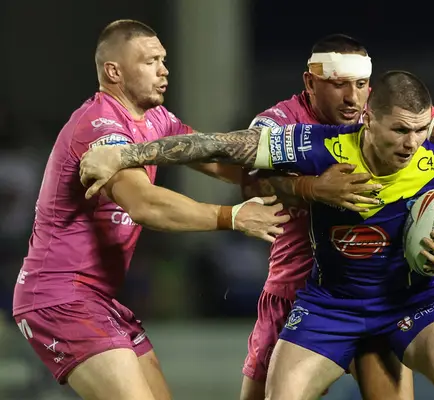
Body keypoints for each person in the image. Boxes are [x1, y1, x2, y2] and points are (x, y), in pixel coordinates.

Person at [78, 71, 434, 400]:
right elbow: (222, 146)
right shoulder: (320, 146)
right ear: (370, 120)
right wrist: (125, 154)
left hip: (414, 300)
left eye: (420, 130)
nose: (412, 142)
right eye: (400, 130)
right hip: (330, 305)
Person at [11, 19, 291, 400]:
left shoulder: (158, 120)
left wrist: (303, 182)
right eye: (150, 61)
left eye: (164, 60)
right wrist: (232, 216)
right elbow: (144, 204)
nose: (164, 70)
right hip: (58, 297)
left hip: (97, 299)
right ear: (114, 71)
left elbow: (219, 160)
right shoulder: (100, 127)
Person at [238, 34, 434, 400]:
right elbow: (252, 186)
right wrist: (310, 189)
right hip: (298, 286)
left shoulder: (384, 116)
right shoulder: (279, 124)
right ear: (310, 83)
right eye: (338, 84)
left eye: (361, 85)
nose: (352, 97)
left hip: (381, 285)